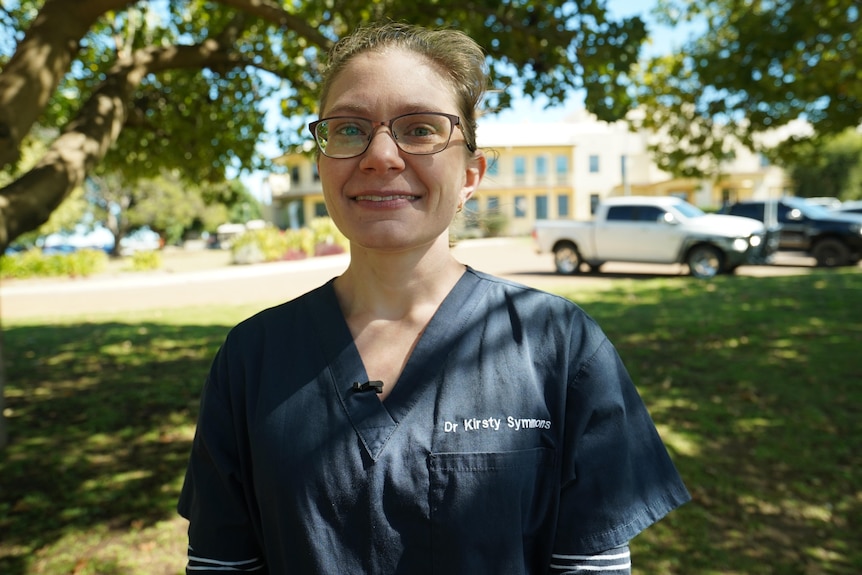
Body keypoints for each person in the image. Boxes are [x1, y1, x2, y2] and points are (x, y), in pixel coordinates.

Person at [177, 21, 690, 574]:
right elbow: (222, 565)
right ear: (322, 160)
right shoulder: (252, 356)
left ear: (471, 174)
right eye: (348, 129)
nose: (380, 156)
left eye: (419, 128)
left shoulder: (561, 347)